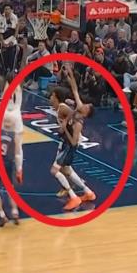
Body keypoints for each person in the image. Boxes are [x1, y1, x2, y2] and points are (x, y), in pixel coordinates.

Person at [49, 68, 96, 210]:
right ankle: (88, 192)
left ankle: (73, 197)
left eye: (87, 106)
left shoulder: (78, 123)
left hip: (70, 144)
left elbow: (74, 142)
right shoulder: (78, 109)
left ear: (86, 113)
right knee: (67, 170)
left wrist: (64, 127)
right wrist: (70, 75)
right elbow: (75, 90)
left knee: (55, 171)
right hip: (66, 141)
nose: (84, 104)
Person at [2, 71, 24, 183]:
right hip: (17, 117)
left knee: (4, 143)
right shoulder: (18, 88)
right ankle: (19, 169)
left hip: (7, 115)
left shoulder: (6, 89)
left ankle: (3, 166)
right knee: (18, 148)